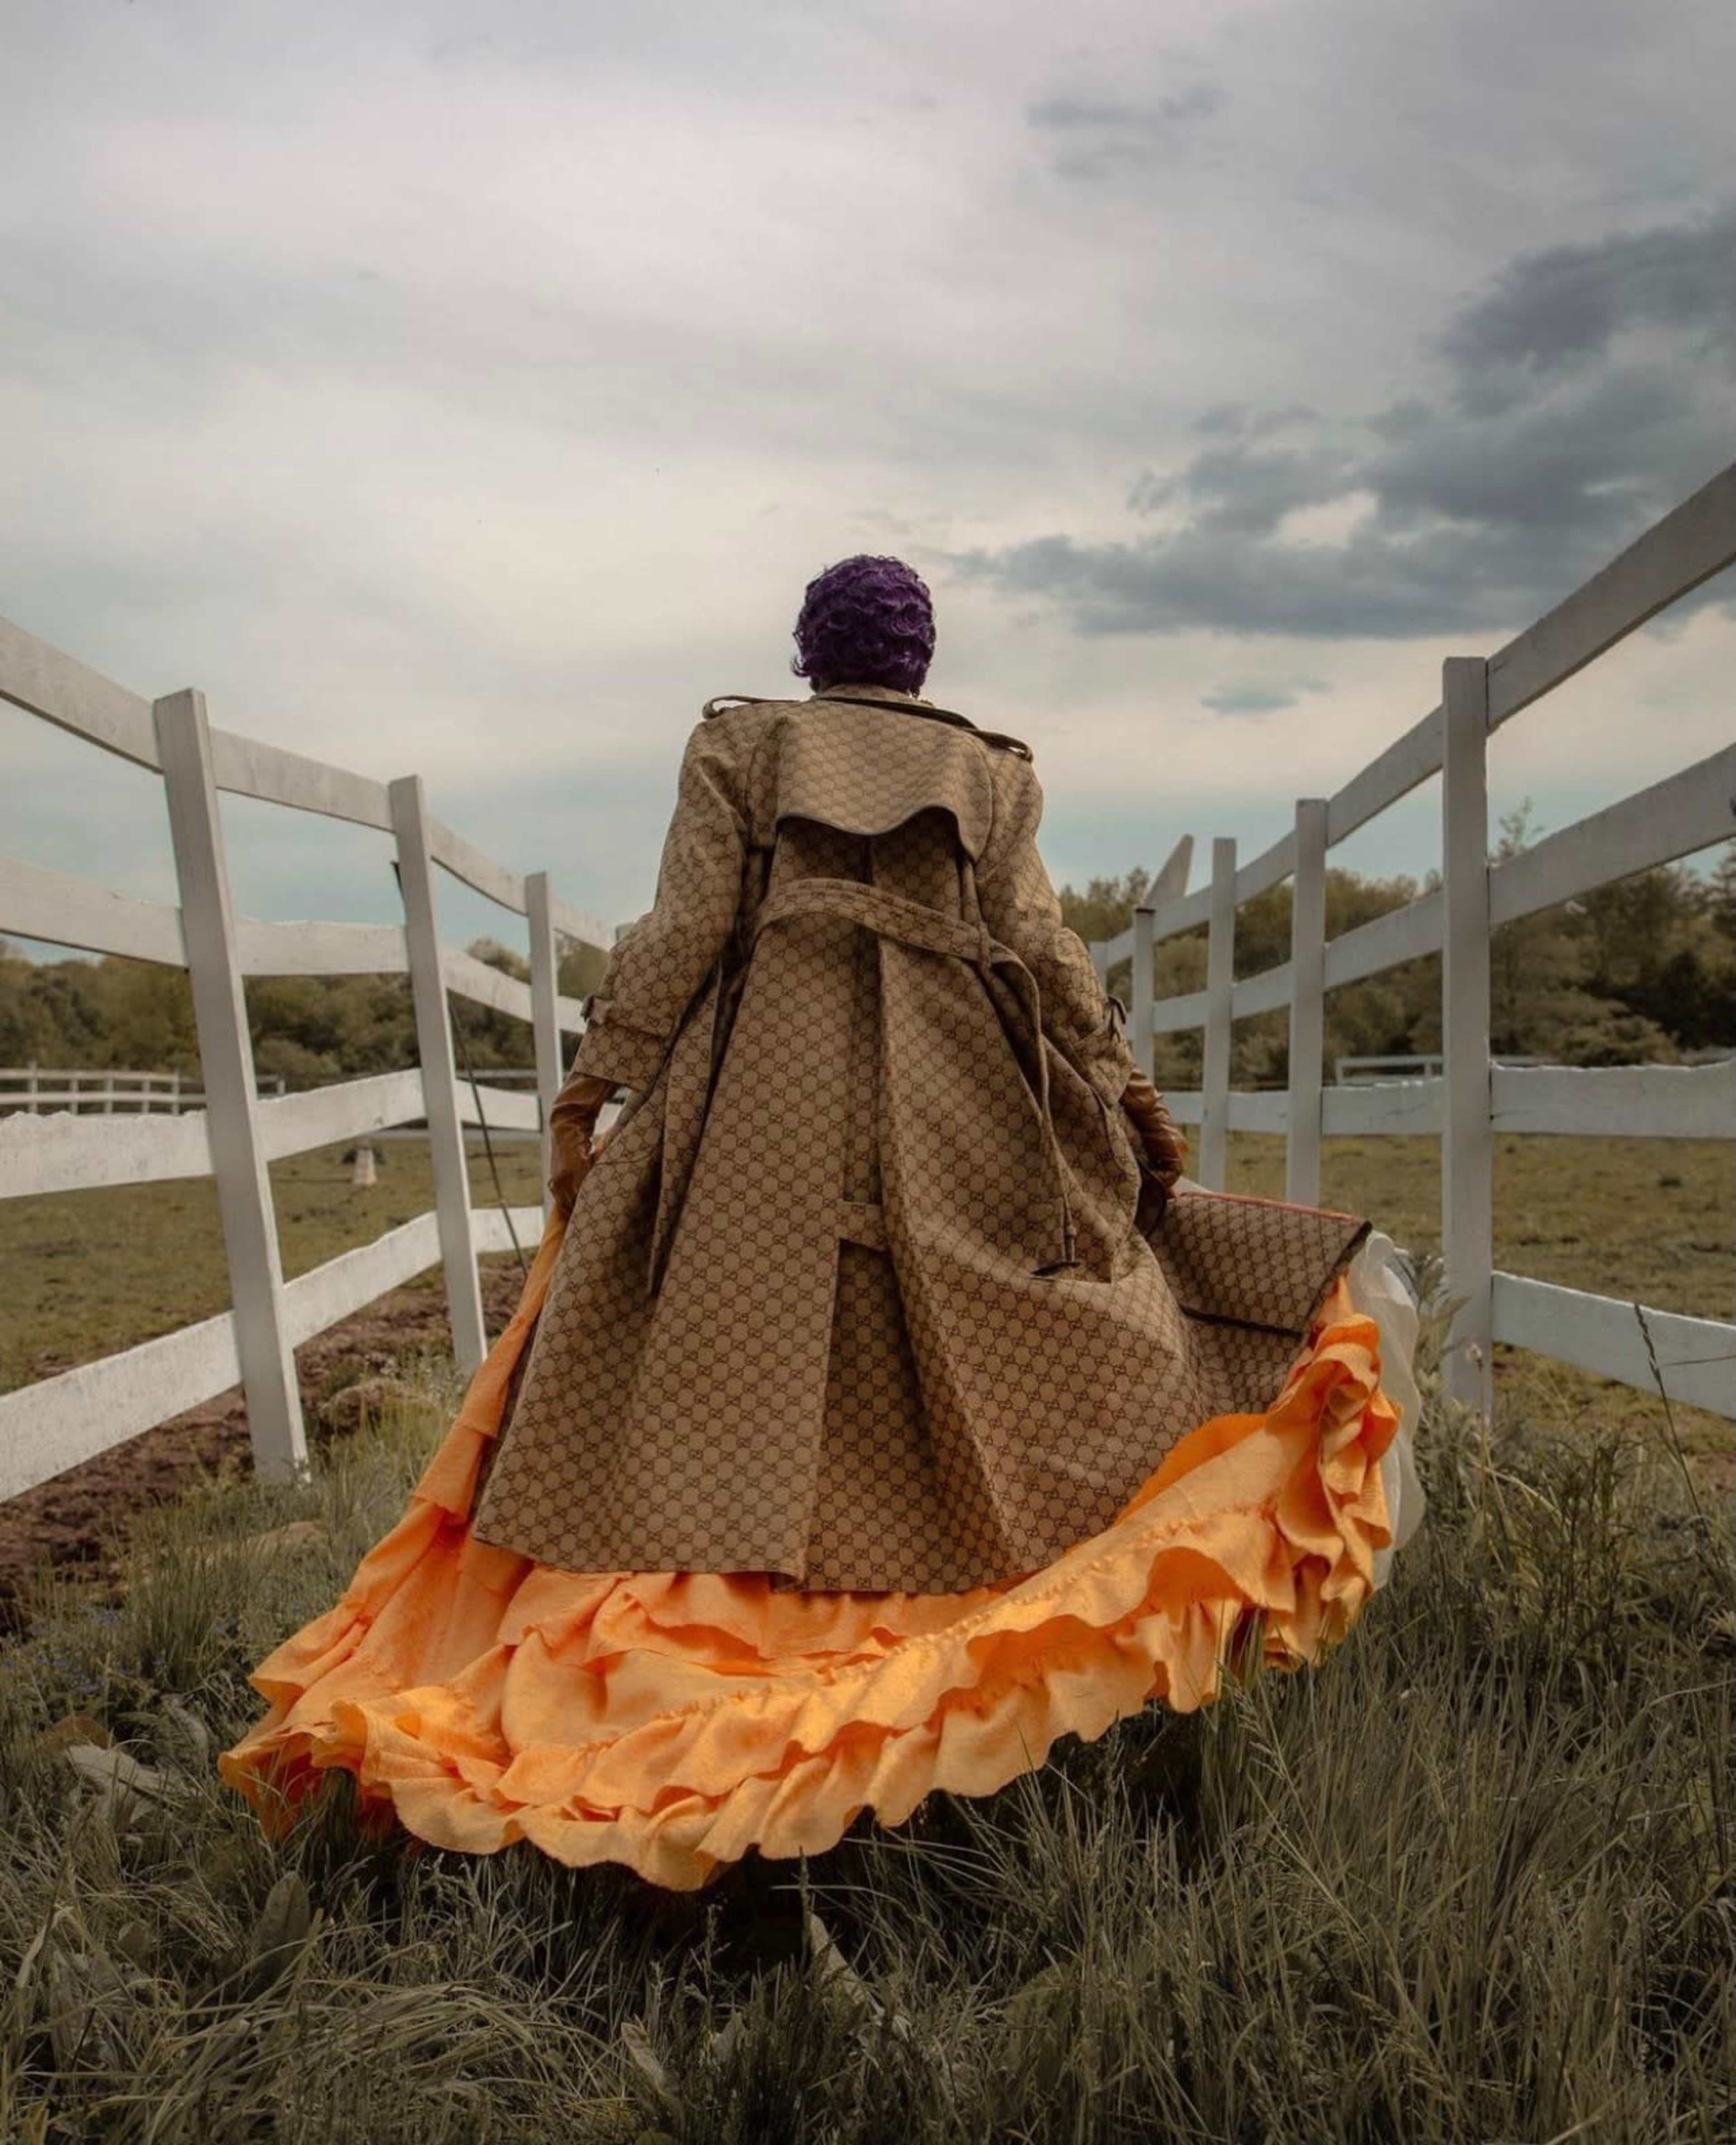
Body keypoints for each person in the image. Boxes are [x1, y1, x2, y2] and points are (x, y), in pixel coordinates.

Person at [221, 555, 1423, 1892]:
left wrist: (598, 1084)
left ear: (810, 650)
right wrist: (1125, 1089)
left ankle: (708, 1603)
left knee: (726, 1320)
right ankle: (972, 1600)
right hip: (959, 1090)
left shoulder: (742, 745)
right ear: (919, 660)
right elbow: (1040, 944)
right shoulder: (994, 774)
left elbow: (685, 931)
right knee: (1010, 1298)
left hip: (765, 1093)